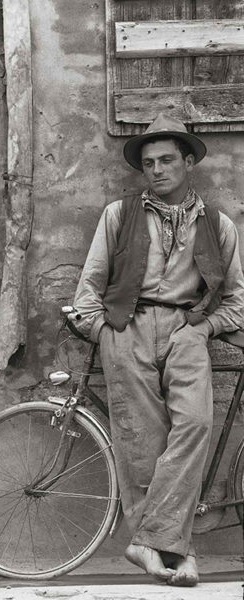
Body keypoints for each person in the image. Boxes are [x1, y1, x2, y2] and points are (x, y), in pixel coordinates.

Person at [72, 113, 244, 586]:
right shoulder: (118, 215)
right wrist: (104, 333)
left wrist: (204, 329)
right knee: (142, 440)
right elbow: (88, 288)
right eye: (149, 163)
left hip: (189, 328)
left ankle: (149, 542)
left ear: (189, 163)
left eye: (167, 160)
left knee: (195, 425)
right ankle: (178, 552)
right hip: (128, 326)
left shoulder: (219, 224)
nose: (157, 169)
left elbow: (237, 301)